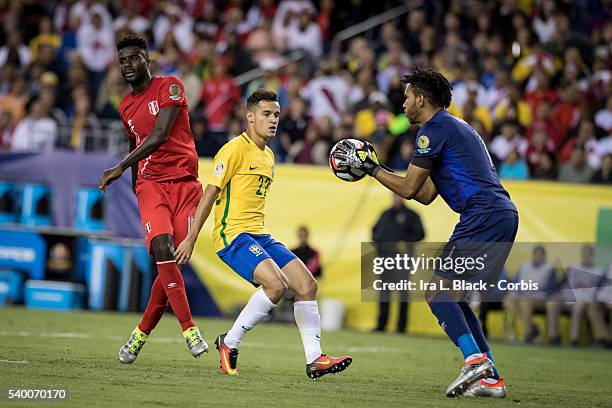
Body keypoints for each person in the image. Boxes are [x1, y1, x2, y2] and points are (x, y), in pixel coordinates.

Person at [331, 67, 519, 398]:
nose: (403, 103)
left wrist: (372, 168)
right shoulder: (455, 127)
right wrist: (378, 168)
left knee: (435, 290)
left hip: (483, 215)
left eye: (406, 96)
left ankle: (475, 362)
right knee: (454, 295)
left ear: (420, 97)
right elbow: (425, 194)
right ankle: (490, 377)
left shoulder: (432, 131)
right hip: (500, 214)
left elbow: (405, 188)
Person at [174, 89, 352, 379]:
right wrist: (191, 238)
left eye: (277, 115)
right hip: (232, 234)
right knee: (276, 285)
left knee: (307, 285)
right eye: (267, 114)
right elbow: (209, 195)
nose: (273, 120)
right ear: (250, 117)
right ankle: (229, 343)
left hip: (259, 235)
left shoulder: (269, 155)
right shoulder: (233, 150)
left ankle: (315, 358)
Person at [97, 34, 208, 364]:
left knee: (171, 259)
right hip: (151, 185)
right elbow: (134, 144)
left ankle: (139, 335)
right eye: (122, 61)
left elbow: (159, 135)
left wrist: (118, 168)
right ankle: (190, 329)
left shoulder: (170, 86)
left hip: (186, 184)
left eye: (133, 58)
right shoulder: (125, 106)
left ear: (148, 60)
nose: (128, 65)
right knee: (162, 247)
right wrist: (136, 185)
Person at [372, 193, 424, 333]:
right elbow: (375, 232)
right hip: (385, 260)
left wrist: (404, 242)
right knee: (384, 292)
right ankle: (381, 325)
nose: (397, 198)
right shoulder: (385, 214)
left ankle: (401, 327)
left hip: (402, 260)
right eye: (395, 196)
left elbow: (420, 234)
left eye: (399, 196)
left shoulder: (411, 215)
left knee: (403, 293)